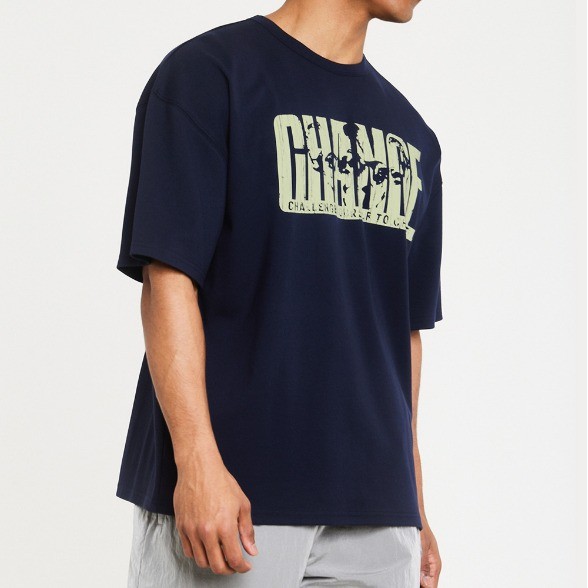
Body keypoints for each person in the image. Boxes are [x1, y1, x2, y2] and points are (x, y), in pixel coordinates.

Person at [115, 0, 444, 585]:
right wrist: (197, 462)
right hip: (236, 497)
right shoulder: (208, 76)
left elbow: (404, 331)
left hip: (377, 511)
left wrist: (413, 501)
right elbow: (168, 278)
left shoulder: (413, 136)